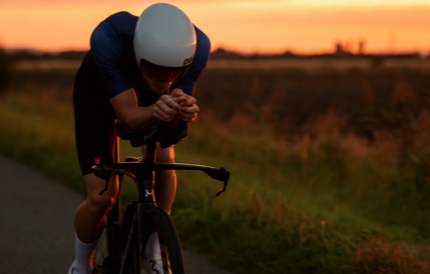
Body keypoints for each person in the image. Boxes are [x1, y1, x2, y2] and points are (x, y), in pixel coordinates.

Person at [69, 3, 210, 274]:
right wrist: (157, 110)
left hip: (146, 96)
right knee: (101, 197)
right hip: (97, 95)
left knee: (163, 154)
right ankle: (80, 265)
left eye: (175, 72)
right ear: (139, 53)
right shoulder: (108, 37)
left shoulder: (198, 45)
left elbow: (170, 122)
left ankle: (155, 242)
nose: (167, 82)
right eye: (158, 70)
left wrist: (181, 113)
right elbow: (128, 117)